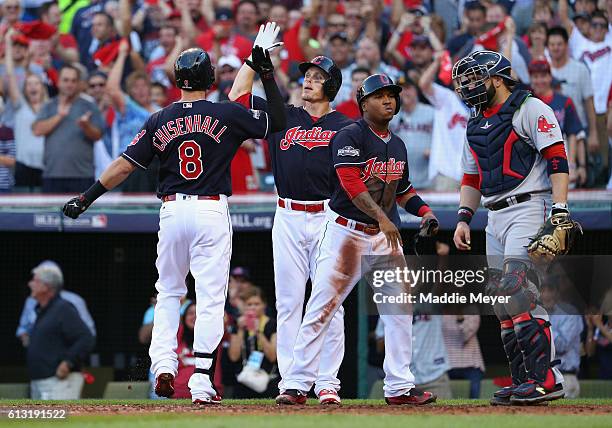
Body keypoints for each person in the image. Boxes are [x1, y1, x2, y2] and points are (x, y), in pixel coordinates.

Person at [61, 42, 286, 405]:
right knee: (212, 299)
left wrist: (86, 198)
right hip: (211, 209)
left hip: (172, 210)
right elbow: (278, 120)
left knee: (168, 292)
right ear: (210, 79)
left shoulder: (159, 118)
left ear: (177, 80)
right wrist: (265, 73)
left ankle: (163, 364)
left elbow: (123, 166)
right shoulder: (226, 113)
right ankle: (200, 380)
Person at [276, 74, 439, 406]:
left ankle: (398, 386)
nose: (388, 100)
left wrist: (425, 213)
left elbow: (403, 189)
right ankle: (296, 383)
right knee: (323, 305)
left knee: (399, 310)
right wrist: (383, 218)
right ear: (364, 103)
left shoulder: (397, 144)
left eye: (392, 95)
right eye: (380, 96)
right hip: (346, 232)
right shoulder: (349, 134)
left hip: (384, 238)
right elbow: (350, 181)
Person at [228, 23, 352, 405]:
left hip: (329, 217)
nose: (308, 82)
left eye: (317, 78)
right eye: (307, 77)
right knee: (288, 302)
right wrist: (254, 57)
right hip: (287, 215)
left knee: (330, 303)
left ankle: (327, 382)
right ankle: (292, 383)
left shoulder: (345, 125)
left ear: (331, 86)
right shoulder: (284, 116)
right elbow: (237, 94)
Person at [452, 50, 570, 405]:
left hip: (530, 204)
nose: (470, 86)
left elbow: (558, 159)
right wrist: (462, 217)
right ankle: (524, 380)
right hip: (493, 213)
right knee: (503, 302)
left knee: (519, 291)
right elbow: (472, 175)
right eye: (466, 80)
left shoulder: (529, 108)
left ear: (498, 79)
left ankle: (547, 379)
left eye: (477, 78)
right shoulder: (474, 121)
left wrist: (560, 212)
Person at [26, 261, 95, 399]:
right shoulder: (42, 310)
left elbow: (86, 338)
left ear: (46, 286)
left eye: (35, 280)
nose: (30, 284)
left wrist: (68, 362)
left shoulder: (63, 309)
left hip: (58, 383)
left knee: (59, 420)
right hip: (41, 383)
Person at [32, 65, 105, 193]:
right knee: (51, 213)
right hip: (52, 174)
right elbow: (37, 130)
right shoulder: (49, 106)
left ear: (78, 83)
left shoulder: (89, 105)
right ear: (58, 82)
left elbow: (98, 135)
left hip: (82, 175)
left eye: (73, 81)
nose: (69, 84)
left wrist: (86, 126)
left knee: (82, 213)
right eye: (65, 80)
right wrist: (59, 116)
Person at [547, 26, 599, 168]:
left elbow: (589, 102)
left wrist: (593, 133)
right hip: (550, 137)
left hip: (578, 134)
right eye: (552, 44)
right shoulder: (543, 72)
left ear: (566, 45)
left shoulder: (580, 69)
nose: (555, 48)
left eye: (559, 44)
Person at [528, 60, 586, 187]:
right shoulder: (526, 103)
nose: (539, 81)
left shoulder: (564, 101)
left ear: (550, 77)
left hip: (560, 157)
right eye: (535, 77)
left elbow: (572, 133)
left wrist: (572, 165)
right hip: (534, 162)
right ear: (531, 79)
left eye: (543, 76)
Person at [3, 30, 48, 190]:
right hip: (23, 166)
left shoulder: (50, 107)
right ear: (24, 88)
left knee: (47, 210)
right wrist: (8, 43)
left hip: (46, 165)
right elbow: (10, 74)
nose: (33, 86)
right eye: (29, 84)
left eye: (36, 83)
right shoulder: (20, 106)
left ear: (42, 87)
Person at [419, 51, 469, 191]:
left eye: (467, 80)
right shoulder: (446, 98)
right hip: (447, 172)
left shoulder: (480, 103)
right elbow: (424, 84)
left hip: (472, 174)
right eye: (458, 80)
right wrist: (437, 62)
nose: (462, 84)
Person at [17, 260, 96, 348]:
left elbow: (88, 334)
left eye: (37, 280)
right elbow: (23, 328)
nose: (30, 284)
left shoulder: (73, 301)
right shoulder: (31, 302)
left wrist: (69, 358)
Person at [228, 286, 278, 398]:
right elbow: (233, 356)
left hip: (268, 380)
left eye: (257, 304)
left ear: (264, 305)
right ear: (244, 306)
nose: (253, 308)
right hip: (244, 380)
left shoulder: (272, 324)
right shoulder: (239, 325)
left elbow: (273, 356)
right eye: (249, 304)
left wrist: (258, 332)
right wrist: (240, 330)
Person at [390, 75, 434, 190]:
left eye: (408, 88)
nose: (404, 92)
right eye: (400, 90)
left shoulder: (431, 112)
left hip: (428, 181)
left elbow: (444, 140)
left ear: (416, 90)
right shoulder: (390, 116)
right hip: (399, 182)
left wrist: (435, 152)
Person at [540, 282, 583, 398]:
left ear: (557, 293)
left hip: (565, 377)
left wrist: (544, 326)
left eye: (550, 290)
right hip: (543, 377)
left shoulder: (570, 313)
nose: (546, 295)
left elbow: (562, 346)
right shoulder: (538, 315)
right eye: (543, 291)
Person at [442, 314, 485, 399]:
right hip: (446, 364)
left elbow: (465, 336)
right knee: (442, 396)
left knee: (474, 397)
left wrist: (460, 317)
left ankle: (475, 411)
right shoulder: (438, 313)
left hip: (471, 364)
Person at [174, 302, 197, 399]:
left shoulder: (214, 336)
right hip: (178, 393)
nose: (195, 317)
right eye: (191, 313)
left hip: (208, 393)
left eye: (199, 313)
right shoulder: (178, 335)